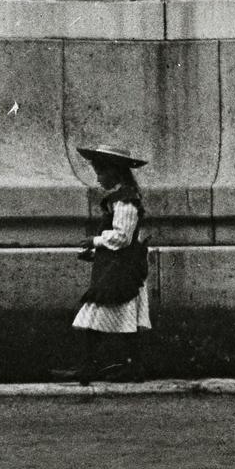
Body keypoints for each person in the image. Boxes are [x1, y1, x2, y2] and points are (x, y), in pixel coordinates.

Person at [55, 147, 152, 384]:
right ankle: (114, 366)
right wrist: (96, 252)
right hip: (115, 267)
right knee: (115, 317)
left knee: (100, 314)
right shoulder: (118, 200)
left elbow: (122, 237)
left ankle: (97, 366)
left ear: (115, 173)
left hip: (122, 271)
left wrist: (96, 240)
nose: (98, 178)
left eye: (101, 173)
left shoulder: (126, 201)